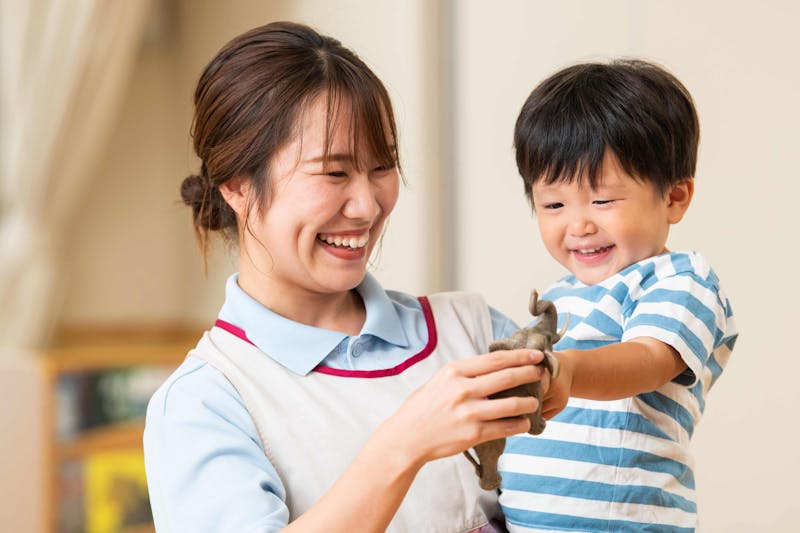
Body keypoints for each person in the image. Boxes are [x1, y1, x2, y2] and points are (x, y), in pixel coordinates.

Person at [143, 21, 549, 533]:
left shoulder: (472, 330)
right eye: (333, 173)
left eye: (382, 167)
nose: (366, 204)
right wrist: (405, 444)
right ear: (237, 186)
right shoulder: (206, 402)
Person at [499, 60, 739, 532]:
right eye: (554, 205)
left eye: (603, 200)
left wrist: (565, 371)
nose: (579, 224)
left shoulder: (680, 280)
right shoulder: (559, 296)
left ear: (674, 197)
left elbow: (647, 360)